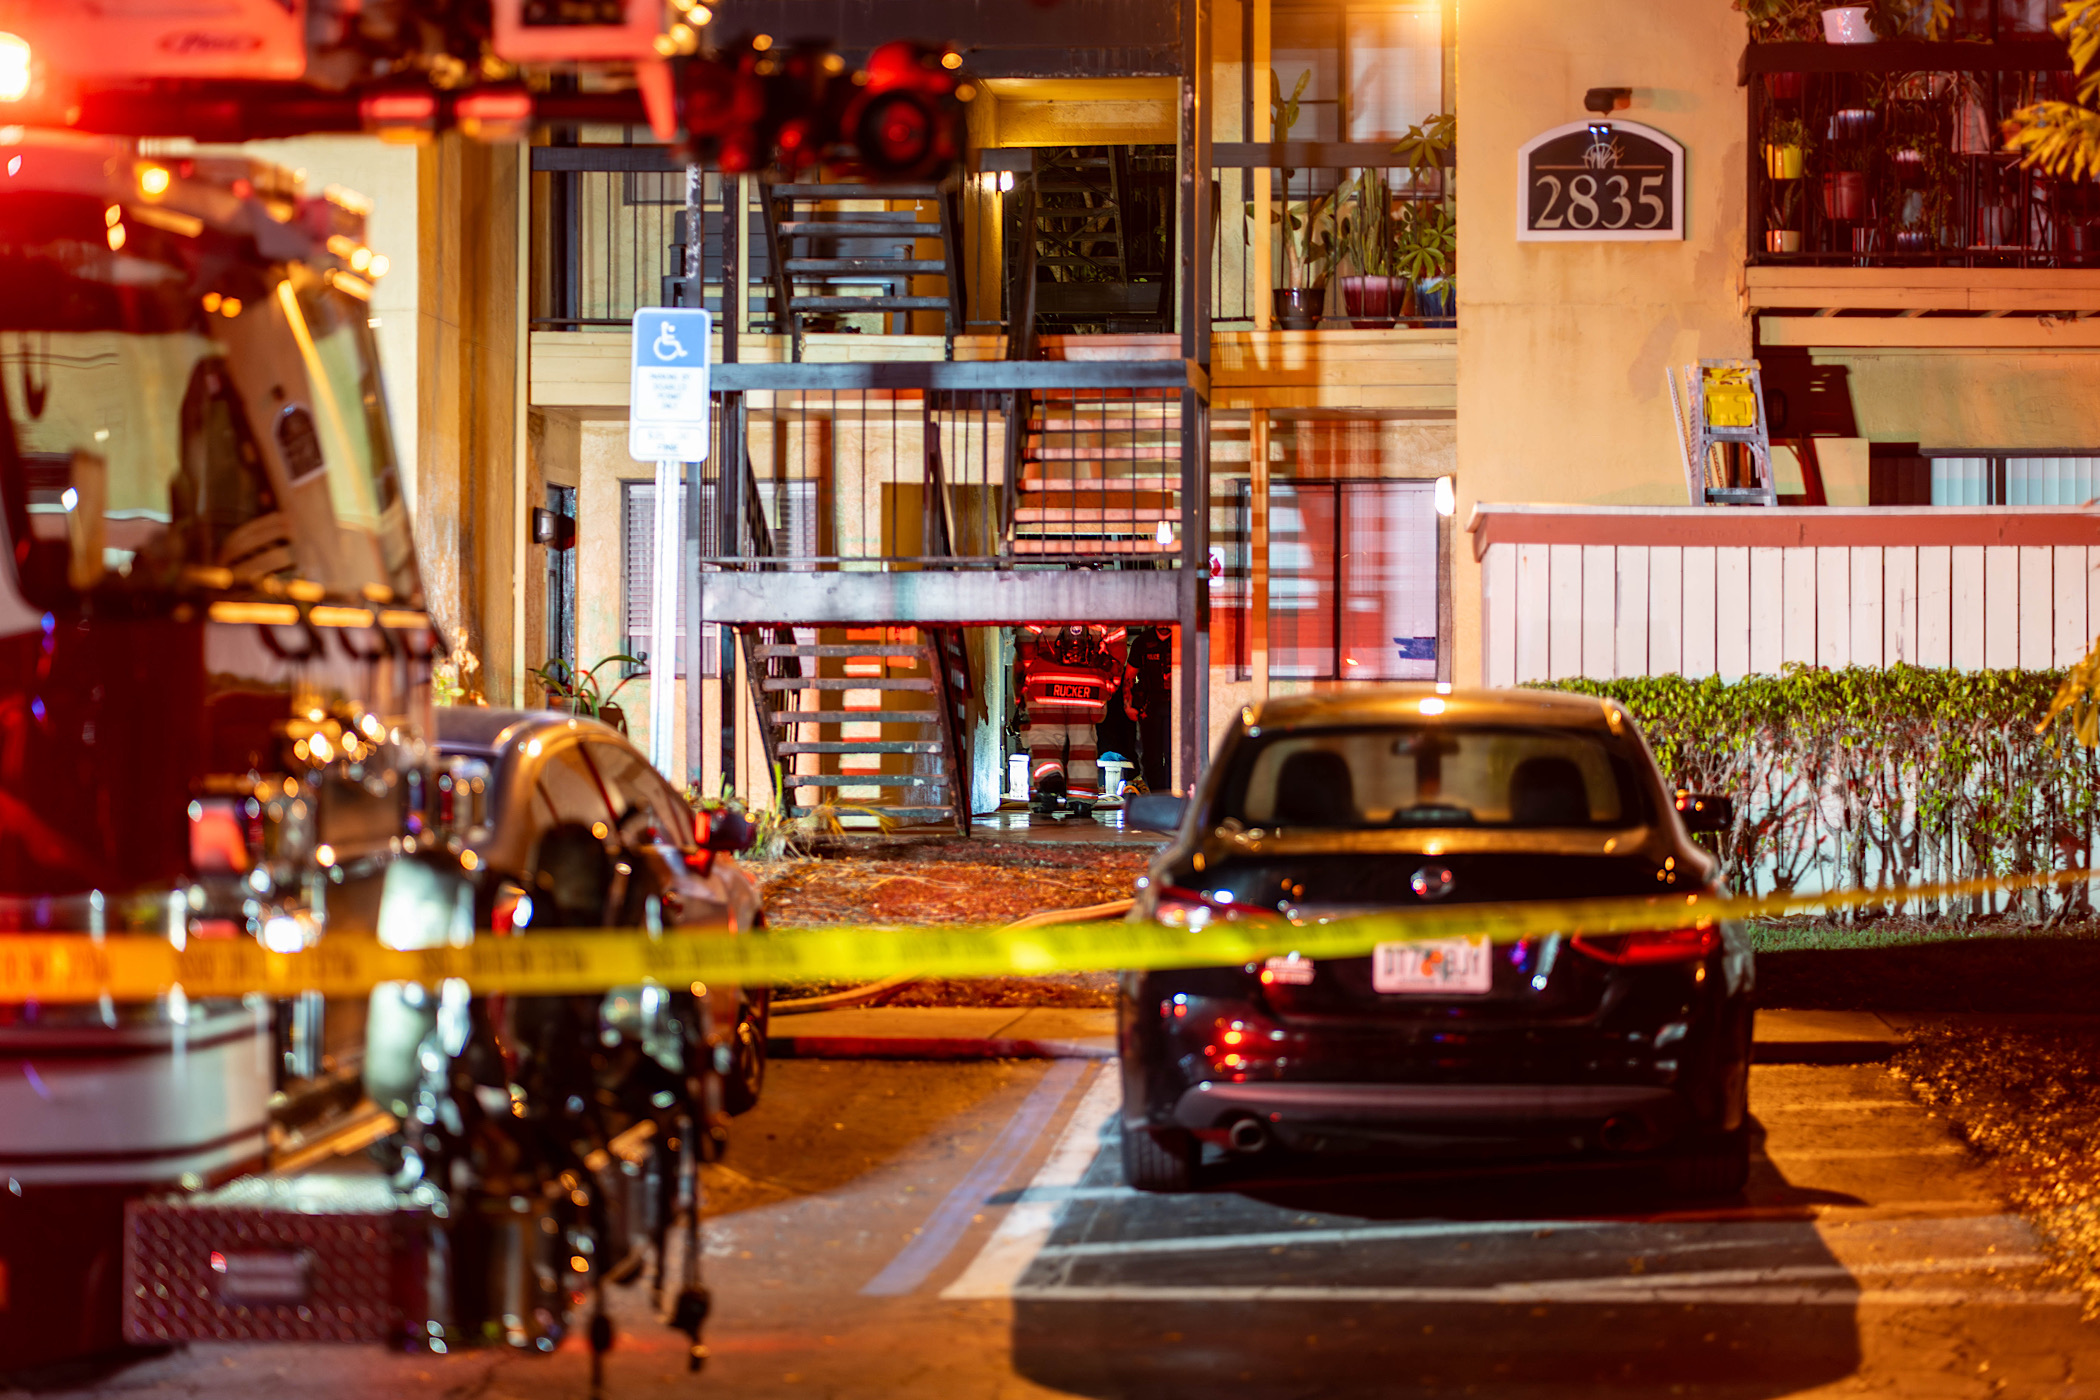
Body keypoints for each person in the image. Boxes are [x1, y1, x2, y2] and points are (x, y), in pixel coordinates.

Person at [1014, 623, 1125, 818]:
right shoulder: (1106, 609)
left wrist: (1028, 674)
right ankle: (1081, 799)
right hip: (1089, 685)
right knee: (1083, 745)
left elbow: (1025, 640)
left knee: (1045, 739)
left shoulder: (1042, 606)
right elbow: (1118, 650)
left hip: (1046, 680)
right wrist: (1109, 683)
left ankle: (1047, 786)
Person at [1125, 624, 1174, 794]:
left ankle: (1172, 793)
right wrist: (1128, 705)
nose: (1164, 624)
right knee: (1150, 756)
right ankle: (1156, 794)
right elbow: (1130, 676)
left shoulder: (1182, 640)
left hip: (1176, 706)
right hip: (1149, 705)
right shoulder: (1142, 642)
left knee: (1173, 754)